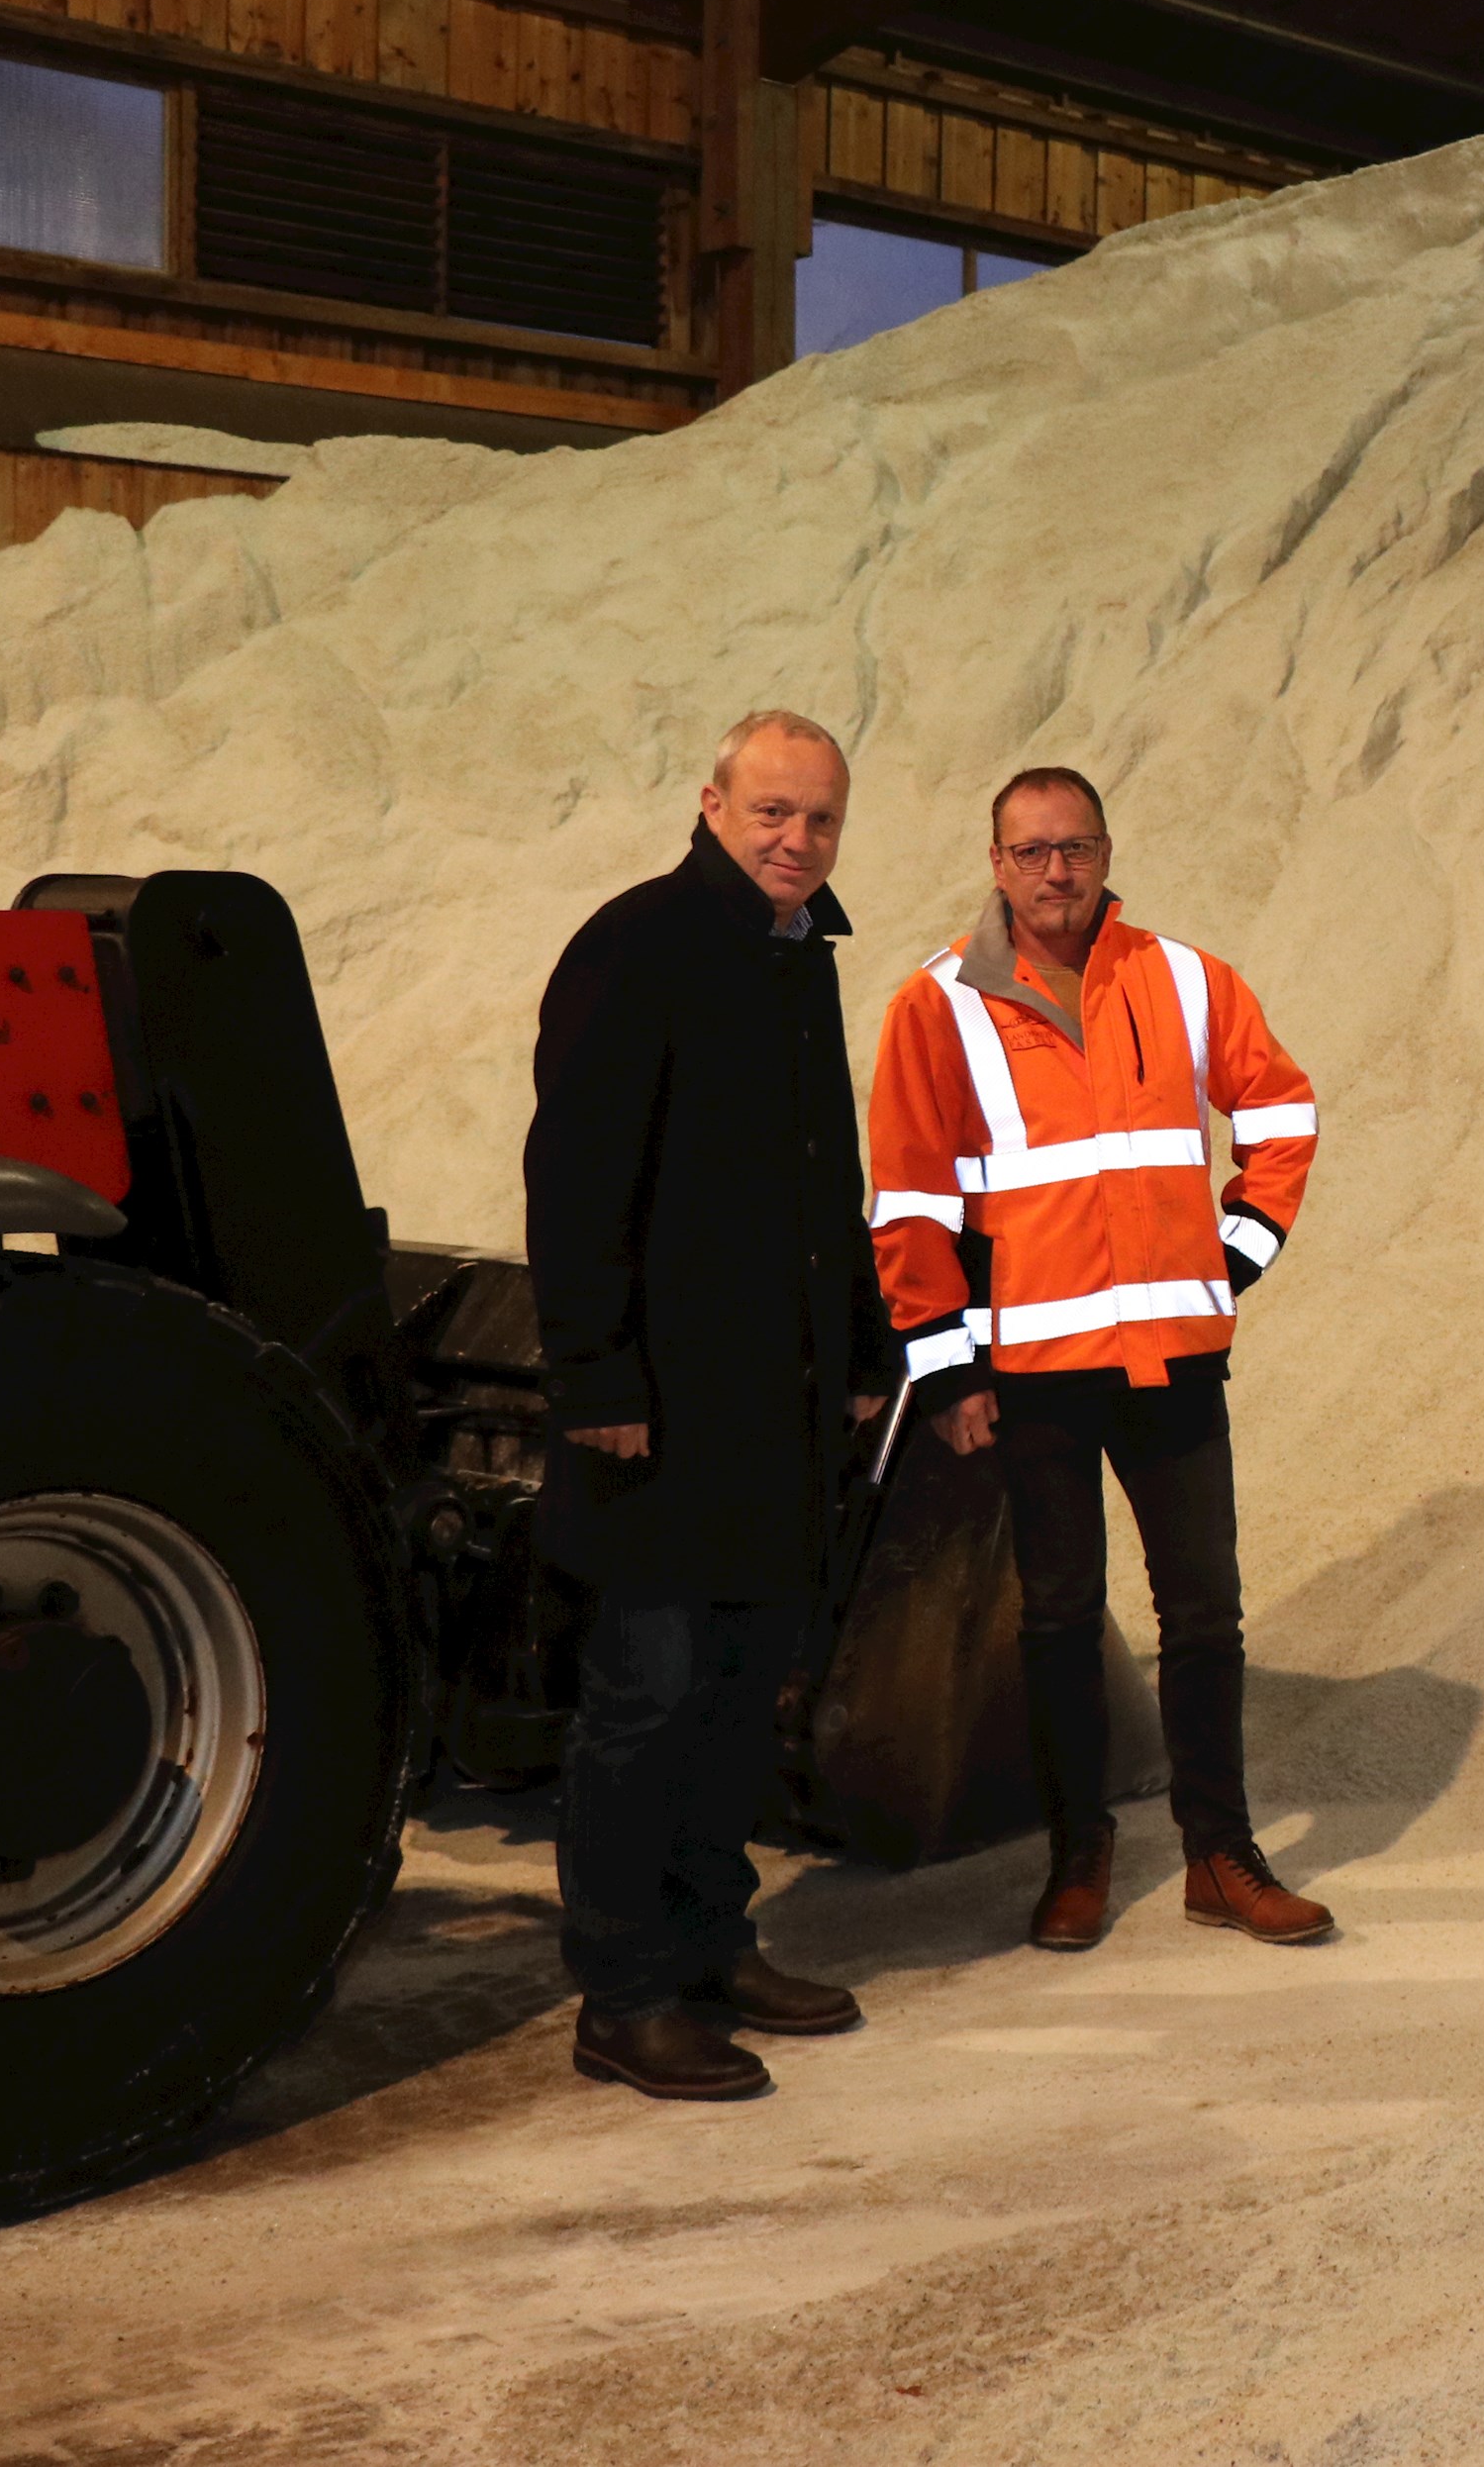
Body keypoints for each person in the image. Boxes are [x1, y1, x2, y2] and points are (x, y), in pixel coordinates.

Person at [864, 764, 1329, 1953]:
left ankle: (1220, 1856)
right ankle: (1080, 1857)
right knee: (1061, 1620)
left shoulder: (1182, 977)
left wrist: (1237, 1250)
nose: (1055, 871)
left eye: (1075, 848)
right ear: (996, 862)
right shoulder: (938, 1004)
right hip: (1036, 1369)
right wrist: (952, 1371)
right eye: (1031, 852)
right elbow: (910, 1201)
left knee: (1205, 1615)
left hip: (1174, 1355)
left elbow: (1278, 1114)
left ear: (1106, 852)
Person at [526, 708, 900, 2101]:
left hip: (775, 1405)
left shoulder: (797, 958)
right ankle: (622, 1992)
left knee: (741, 1694)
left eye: (820, 819)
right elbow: (574, 1180)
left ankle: (710, 1939)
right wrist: (596, 1378)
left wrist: (862, 1346)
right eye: (772, 813)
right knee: (648, 1698)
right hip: (666, 1414)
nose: (797, 839)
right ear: (711, 804)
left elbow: (823, 1180)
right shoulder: (639, 944)